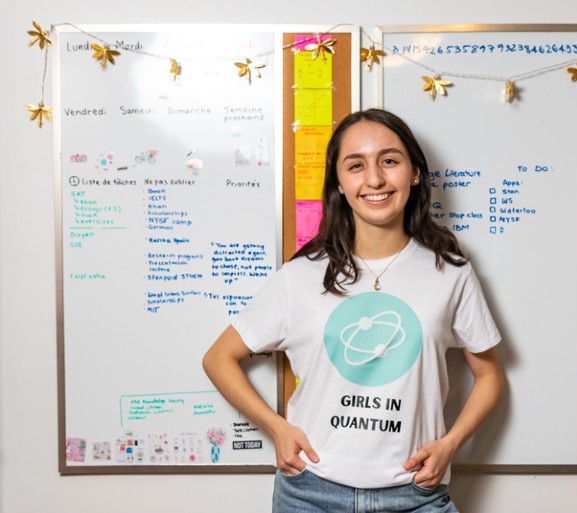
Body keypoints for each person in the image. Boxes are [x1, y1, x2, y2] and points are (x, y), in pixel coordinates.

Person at [203, 108, 505, 512]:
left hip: (415, 494)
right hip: (310, 493)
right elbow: (218, 358)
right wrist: (276, 428)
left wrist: (450, 444)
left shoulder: (451, 273)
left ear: (414, 173)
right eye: (356, 165)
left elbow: (489, 375)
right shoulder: (300, 276)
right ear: (340, 184)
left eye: (390, 161)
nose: (375, 179)